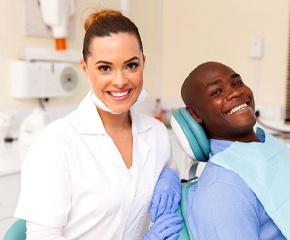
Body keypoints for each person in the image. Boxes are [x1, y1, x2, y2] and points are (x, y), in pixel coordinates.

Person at [14, 9, 182, 240]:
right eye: (105, 68)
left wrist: (174, 178)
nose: (120, 80)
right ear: (85, 68)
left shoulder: (156, 133)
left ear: (143, 62)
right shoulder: (56, 142)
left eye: (131, 65)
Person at [180, 61, 290, 239]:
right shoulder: (222, 186)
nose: (235, 92)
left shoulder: (267, 145)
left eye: (237, 83)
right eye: (217, 92)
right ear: (195, 114)